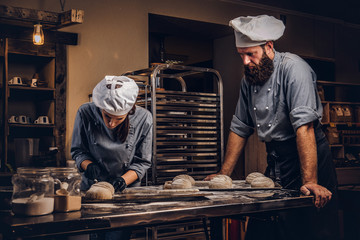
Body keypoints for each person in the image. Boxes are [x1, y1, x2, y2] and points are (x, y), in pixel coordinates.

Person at [205, 15, 338, 240]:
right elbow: (239, 127)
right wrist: (223, 175)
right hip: (277, 160)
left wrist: (310, 182)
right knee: (265, 227)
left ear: (268, 47)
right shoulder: (248, 80)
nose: (245, 62)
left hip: (307, 159)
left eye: (250, 54)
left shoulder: (294, 69)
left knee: (307, 230)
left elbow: (303, 129)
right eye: (241, 55)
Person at [71, 75, 153, 240]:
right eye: (107, 116)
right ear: (100, 106)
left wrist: (122, 181)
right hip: (94, 189)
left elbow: (142, 162)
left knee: (118, 236)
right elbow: (78, 151)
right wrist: (89, 165)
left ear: (129, 111)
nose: (111, 124)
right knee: (96, 235)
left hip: (125, 190)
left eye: (119, 119)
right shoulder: (85, 112)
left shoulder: (144, 118)